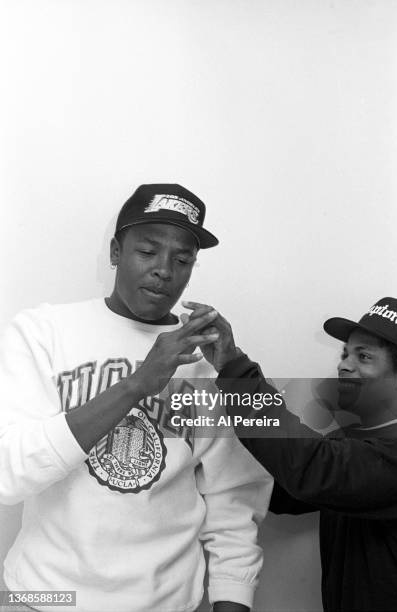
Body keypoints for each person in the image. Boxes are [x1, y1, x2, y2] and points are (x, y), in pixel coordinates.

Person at [0, 184, 272, 612]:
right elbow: (8, 475)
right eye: (147, 251)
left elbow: (232, 502)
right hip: (41, 596)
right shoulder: (42, 332)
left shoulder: (207, 360)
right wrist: (136, 384)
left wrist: (233, 598)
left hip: (161, 603)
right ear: (115, 252)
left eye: (182, 260)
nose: (164, 270)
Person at [183, 297, 397, 612]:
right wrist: (188, 459)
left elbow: (313, 467)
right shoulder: (356, 445)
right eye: (346, 353)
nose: (344, 364)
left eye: (364, 356)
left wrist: (234, 368)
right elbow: (281, 485)